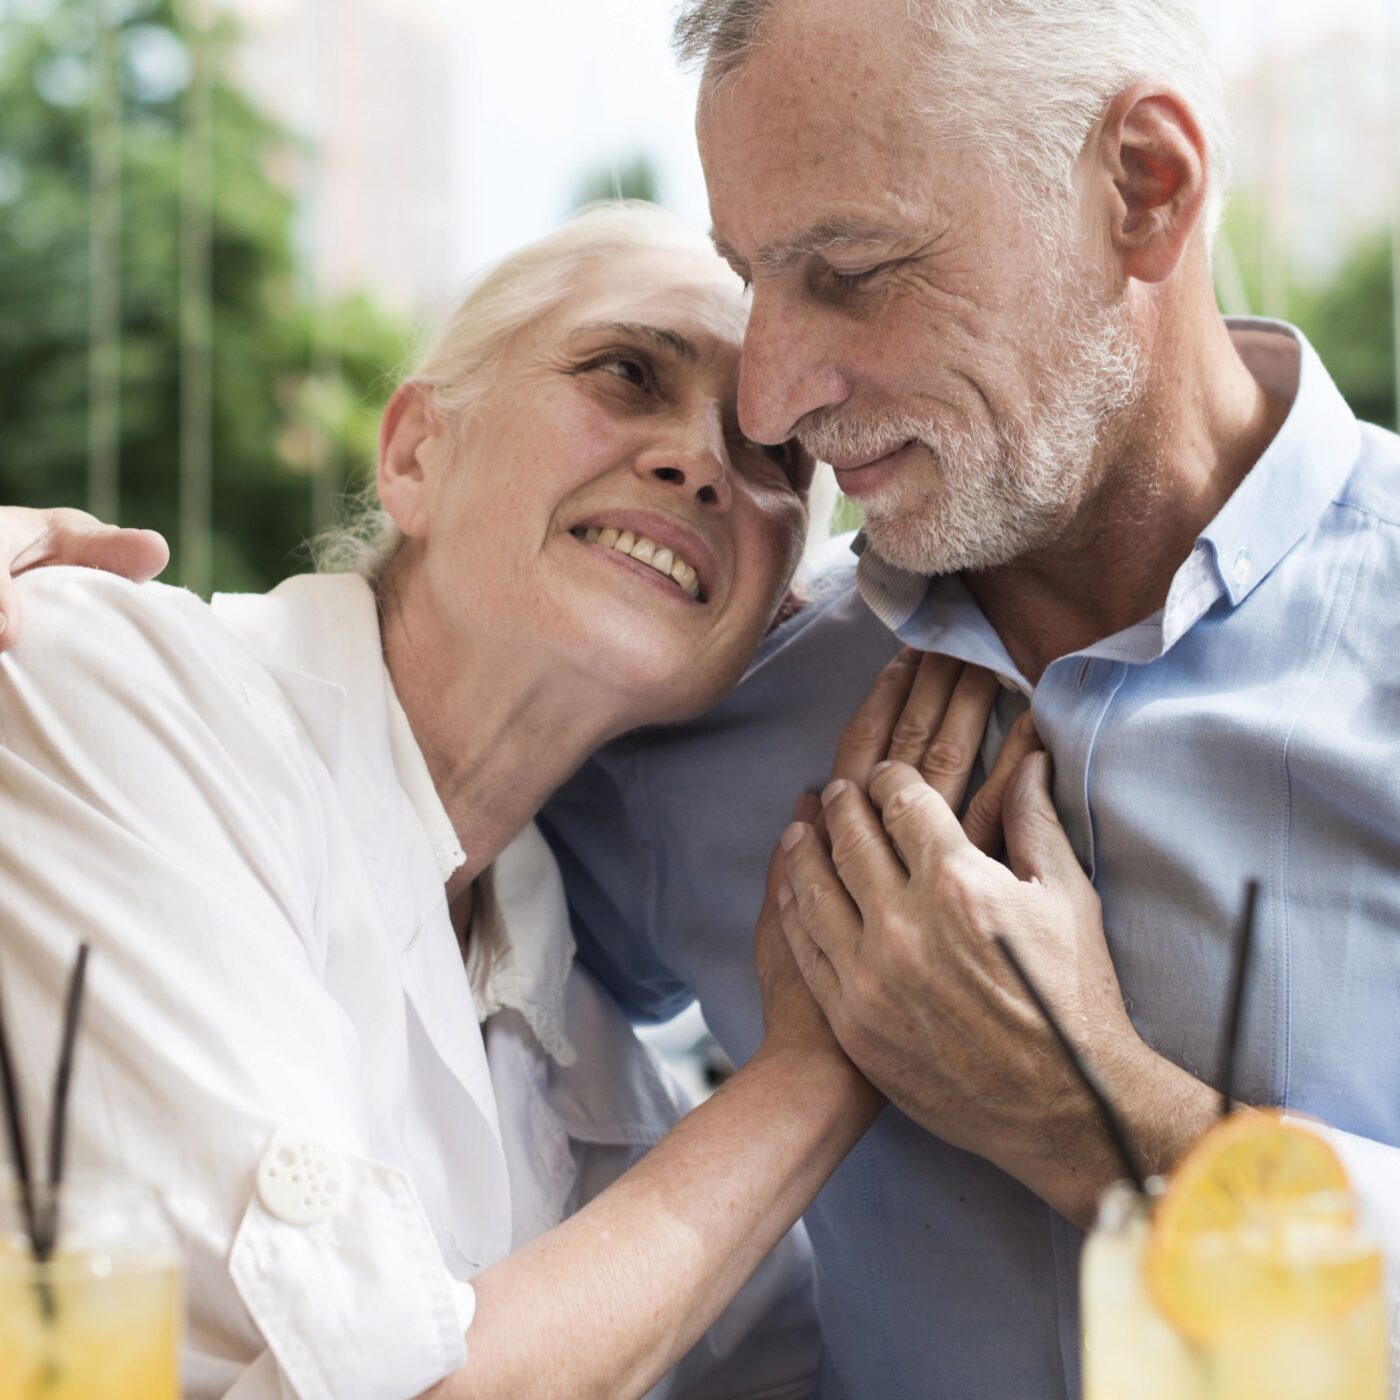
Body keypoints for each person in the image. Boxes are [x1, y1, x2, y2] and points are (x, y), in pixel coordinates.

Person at [8, 4, 1400, 1398]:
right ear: (413, 446)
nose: (779, 403)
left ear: (1146, 188)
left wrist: (1096, 1111)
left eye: (851, 271)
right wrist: (824, 1068)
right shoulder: (673, 737)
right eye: (740, 285)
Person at [0, 200, 1041, 1400]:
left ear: (766, 613)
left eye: (767, 455)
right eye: (625, 369)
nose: (699, 460)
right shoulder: (102, 682)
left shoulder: (574, 1035)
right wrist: (827, 1060)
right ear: (413, 454)